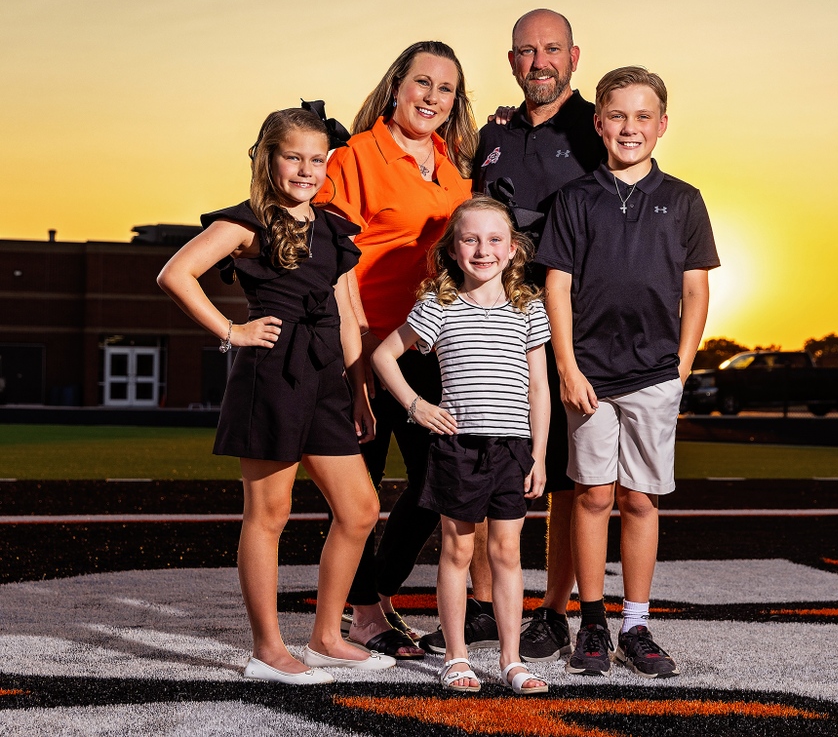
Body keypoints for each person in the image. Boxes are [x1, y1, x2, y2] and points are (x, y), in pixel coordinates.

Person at [157, 107, 395, 684]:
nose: (306, 169)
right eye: (294, 157)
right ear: (268, 158)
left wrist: (359, 389)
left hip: (327, 381)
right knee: (270, 513)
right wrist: (233, 333)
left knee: (360, 508)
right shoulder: (246, 224)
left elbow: (344, 315)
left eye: (317, 159)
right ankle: (267, 650)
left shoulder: (335, 229)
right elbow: (175, 274)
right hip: (272, 375)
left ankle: (325, 636)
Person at [420, 8, 604, 661]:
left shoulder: (596, 129)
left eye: (551, 49)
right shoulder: (494, 134)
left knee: (558, 477)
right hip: (491, 320)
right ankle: (477, 608)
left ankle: (552, 612)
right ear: (511, 61)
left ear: (574, 56)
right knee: (481, 460)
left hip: (571, 322)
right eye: (526, 52)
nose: (539, 63)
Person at [536, 67, 719, 678]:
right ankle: (591, 622)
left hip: (654, 374)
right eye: (618, 116)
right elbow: (556, 286)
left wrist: (682, 368)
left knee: (640, 500)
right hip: (588, 374)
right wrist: (564, 363)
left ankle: (635, 623)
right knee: (591, 496)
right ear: (599, 122)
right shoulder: (575, 199)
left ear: (663, 124)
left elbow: (696, 293)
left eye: (644, 116)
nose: (630, 128)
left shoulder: (685, 200)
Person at [313, 41, 478, 660]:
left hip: (427, 344)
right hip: (361, 339)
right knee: (361, 489)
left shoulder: (452, 167)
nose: (433, 97)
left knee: (442, 476)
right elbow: (333, 261)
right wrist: (355, 355)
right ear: (396, 87)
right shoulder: (357, 155)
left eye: (446, 88)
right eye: (422, 82)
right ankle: (362, 616)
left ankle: (371, 596)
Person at [371, 197, 550, 694]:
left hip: (513, 449)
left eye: (495, 240)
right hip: (458, 448)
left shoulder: (527, 307)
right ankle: (456, 658)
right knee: (456, 550)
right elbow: (384, 355)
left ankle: (512, 661)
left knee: (508, 553)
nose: (482, 249)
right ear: (452, 249)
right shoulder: (438, 306)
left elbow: (539, 388)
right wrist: (415, 405)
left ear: (513, 250)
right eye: (469, 239)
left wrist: (537, 453)